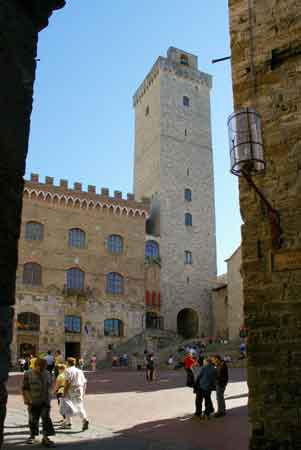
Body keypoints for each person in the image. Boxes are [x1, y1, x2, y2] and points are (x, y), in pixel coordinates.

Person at [22, 357, 55, 447]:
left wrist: (50, 397)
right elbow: (25, 388)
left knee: (46, 418)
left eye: (44, 367)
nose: (42, 369)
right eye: (41, 367)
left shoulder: (48, 374)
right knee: (33, 419)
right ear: (36, 365)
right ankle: (32, 436)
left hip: (45, 400)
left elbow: (50, 386)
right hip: (33, 400)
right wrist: (27, 400)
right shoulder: (28, 374)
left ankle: (45, 437)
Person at [60, 357, 89, 431]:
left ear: (67, 363)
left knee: (67, 405)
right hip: (79, 388)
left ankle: (69, 423)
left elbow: (68, 382)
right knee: (79, 405)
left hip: (71, 389)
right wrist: (83, 392)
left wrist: (64, 392)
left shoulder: (67, 370)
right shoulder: (79, 370)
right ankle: (83, 419)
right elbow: (84, 382)